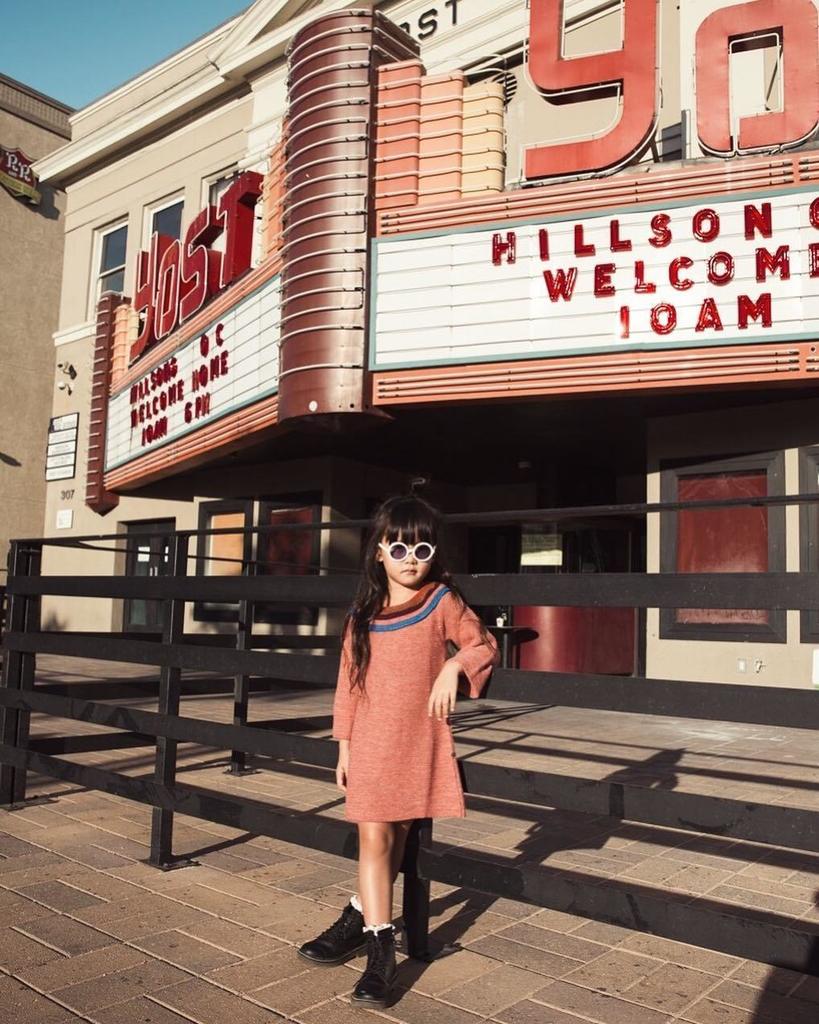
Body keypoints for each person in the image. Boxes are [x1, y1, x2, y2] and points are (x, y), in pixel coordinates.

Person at [297, 493, 500, 1007]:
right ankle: (381, 954)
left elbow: (483, 643)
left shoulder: (441, 601)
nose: (412, 559)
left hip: (417, 742)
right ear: (379, 551)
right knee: (373, 838)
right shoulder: (361, 614)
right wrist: (343, 746)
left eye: (423, 549)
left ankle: (355, 915)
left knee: (393, 842)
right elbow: (348, 684)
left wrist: (454, 667)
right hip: (369, 742)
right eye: (400, 547)